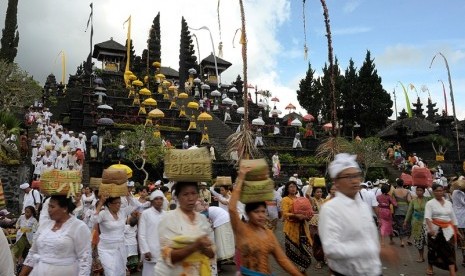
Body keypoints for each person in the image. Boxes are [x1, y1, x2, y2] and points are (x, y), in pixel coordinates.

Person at [319, 153, 398, 275]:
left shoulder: (362, 206)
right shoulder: (330, 209)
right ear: (336, 182)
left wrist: (377, 249)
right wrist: (373, 250)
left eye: (357, 175)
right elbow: (331, 249)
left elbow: (368, 237)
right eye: (349, 177)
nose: (355, 180)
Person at [229, 165, 304, 276]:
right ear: (248, 214)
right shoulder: (241, 229)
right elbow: (232, 209)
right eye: (256, 212)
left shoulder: (269, 234)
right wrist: (241, 177)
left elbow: (283, 260)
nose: (261, 215)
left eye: (263, 212)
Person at [19, 195, 91, 276]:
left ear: (65, 208)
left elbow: (85, 259)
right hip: (39, 271)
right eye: (48, 206)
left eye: (52, 207)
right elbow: (32, 253)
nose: (49, 210)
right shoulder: (45, 225)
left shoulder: (78, 227)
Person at [154, 182, 215, 275]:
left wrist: (205, 248)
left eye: (193, 193)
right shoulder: (169, 219)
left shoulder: (202, 219)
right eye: (185, 194)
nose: (190, 198)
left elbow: (212, 253)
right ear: (177, 197)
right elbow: (168, 256)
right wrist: (196, 245)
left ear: (198, 195)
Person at [93, 195, 138, 276]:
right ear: (109, 204)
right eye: (116, 203)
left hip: (120, 248)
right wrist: (100, 203)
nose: (118, 205)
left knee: (120, 272)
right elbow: (94, 220)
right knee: (110, 272)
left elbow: (134, 205)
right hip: (106, 249)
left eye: (119, 203)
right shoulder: (103, 213)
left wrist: (128, 195)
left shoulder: (122, 212)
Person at [424, 184, 458, 275]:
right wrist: (431, 229)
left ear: (443, 191)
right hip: (434, 230)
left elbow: (453, 217)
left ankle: (452, 271)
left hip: (448, 230)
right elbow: (427, 217)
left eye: (441, 190)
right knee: (433, 250)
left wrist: (456, 230)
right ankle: (430, 267)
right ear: (433, 192)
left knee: (449, 250)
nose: (439, 192)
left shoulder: (448, 203)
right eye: (437, 191)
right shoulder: (430, 203)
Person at [281, 181, 312, 273]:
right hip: (291, 230)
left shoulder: (301, 199)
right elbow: (285, 214)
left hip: (303, 229)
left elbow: (307, 211)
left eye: (294, 186)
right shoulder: (285, 199)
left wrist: (308, 216)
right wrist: (295, 215)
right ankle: (298, 272)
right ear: (287, 189)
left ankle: (302, 270)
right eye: (291, 186)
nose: (293, 188)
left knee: (307, 253)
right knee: (294, 253)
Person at [138, 190, 165, 276]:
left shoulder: (166, 214)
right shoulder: (146, 213)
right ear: (152, 201)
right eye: (156, 199)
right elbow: (141, 234)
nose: (159, 201)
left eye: (161, 199)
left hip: (163, 251)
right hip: (150, 251)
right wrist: (145, 250)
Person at [403, 186, 429, 263]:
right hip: (416, 223)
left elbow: (434, 196)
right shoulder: (413, 201)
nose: (419, 192)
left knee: (428, 240)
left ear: (424, 191)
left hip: (426, 223)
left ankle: (431, 256)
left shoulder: (428, 200)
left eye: (421, 190)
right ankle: (421, 256)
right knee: (418, 240)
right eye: (417, 190)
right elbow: (409, 211)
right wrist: (405, 221)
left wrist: (428, 188)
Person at [207, 206, 235, 271]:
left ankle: (218, 266)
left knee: (219, 244)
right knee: (222, 243)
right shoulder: (210, 209)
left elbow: (206, 224)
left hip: (222, 222)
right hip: (226, 220)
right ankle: (220, 264)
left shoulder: (205, 211)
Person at [309, 187, 325, 269]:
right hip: (313, 224)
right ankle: (319, 260)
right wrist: (311, 185)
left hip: (323, 224)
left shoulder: (324, 200)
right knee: (316, 243)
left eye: (321, 192)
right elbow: (307, 194)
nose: (319, 193)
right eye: (317, 192)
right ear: (314, 193)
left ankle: (322, 259)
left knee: (323, 242)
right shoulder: (312, 200)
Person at [393, 178, 412, 247]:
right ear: (403, 184)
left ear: (397, 184)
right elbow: (409, 200)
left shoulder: (394, 191)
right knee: (408, 225)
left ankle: (402, 242)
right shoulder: (407, 191)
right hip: (406, 210)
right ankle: (408, 239)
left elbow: (394, 203)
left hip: (398, 210)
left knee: (400, 226)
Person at [452, 182, 465, 267]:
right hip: (460, 219)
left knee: (462, 240)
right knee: (463, 240)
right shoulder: (458, 193)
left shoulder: (455, 192)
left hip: (459, 219)